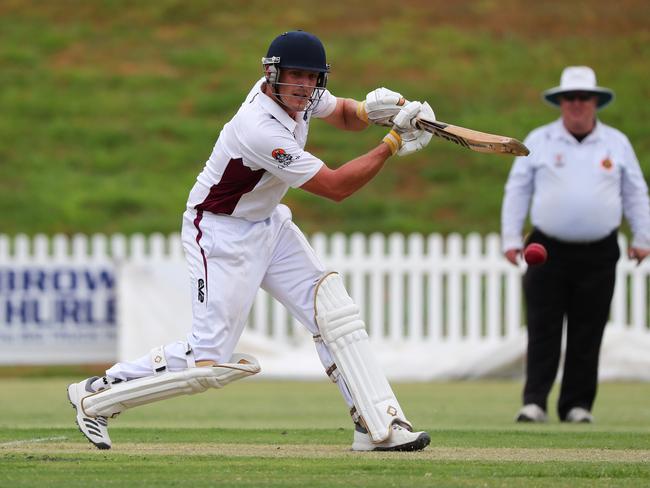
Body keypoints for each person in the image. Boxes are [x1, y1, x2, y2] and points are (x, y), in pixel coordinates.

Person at [67, 30, 435, 451]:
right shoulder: (259, 127)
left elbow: (347, 115)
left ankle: (378, 426)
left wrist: (379, 110)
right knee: (208, 361)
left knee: (332, 310)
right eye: (295, 76)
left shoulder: (303, 97)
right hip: (220, 231)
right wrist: (392, 141)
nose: (305, 87)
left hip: (268, 224)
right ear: (270, 74)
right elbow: (335, 187)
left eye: (313, 78)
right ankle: (99, 393)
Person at [501, 66, 650, 423]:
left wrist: (642, 237)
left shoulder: (616, 143)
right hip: (547, 249)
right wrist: (510, 237)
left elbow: (635, 191)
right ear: (561, 102)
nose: (577, 104)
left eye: (584, 98)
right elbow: (518, 188)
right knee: (543, 326)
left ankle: (577, 405)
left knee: (589, 328)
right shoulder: (540, 139)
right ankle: (534, 401)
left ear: (595, 102)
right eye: (570, 98)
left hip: (599, 249)